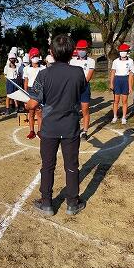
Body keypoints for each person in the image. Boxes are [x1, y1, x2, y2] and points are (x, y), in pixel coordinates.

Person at [26, 34, 87, 216]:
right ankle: (72, 203)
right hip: (70, 127)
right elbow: (80, 92)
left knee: (48, 165)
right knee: (71, 166)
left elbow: (33, 103)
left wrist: (26, 104)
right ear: (71, 53)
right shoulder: (78, 73)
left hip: (50, 127)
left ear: (51, 52)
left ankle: (46, 203)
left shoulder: (44, 74)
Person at [70, 40, 95, 140]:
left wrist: (80, 85)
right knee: (73, 110)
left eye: (83, 49)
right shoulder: (72, 61)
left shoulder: (91, 61)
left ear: (86, 49)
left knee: (85, 110)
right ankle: (74, 129)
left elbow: (88, 77)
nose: (81, 51)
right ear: (76, 49)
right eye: (79, 49)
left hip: (84, 87)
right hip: (73, 88)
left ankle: (84, 131)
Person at [23, 47, 46, 139]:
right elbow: (25, 81)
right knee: (31, 112)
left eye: (36, 56)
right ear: (30, 57)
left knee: (39, 112)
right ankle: (31, 131)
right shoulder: (26, 69)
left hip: (40, 91)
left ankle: (40, 131)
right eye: (33, 56)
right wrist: (25, 95)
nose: (35, 58)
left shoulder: (43, 68)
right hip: (30, 90)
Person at [110, 43, 134, 125]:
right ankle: (115, 116)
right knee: (116, 100)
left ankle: (124, 117)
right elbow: (113, 72)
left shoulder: (130, 61)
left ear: (127, 52)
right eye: (121, 51)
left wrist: (130, 86)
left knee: (124, 100)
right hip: (117, 80)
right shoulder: (115, 61)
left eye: (124, 51)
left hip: (125, 80)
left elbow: (131, 74)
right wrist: (111, 83)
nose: (123, 52)